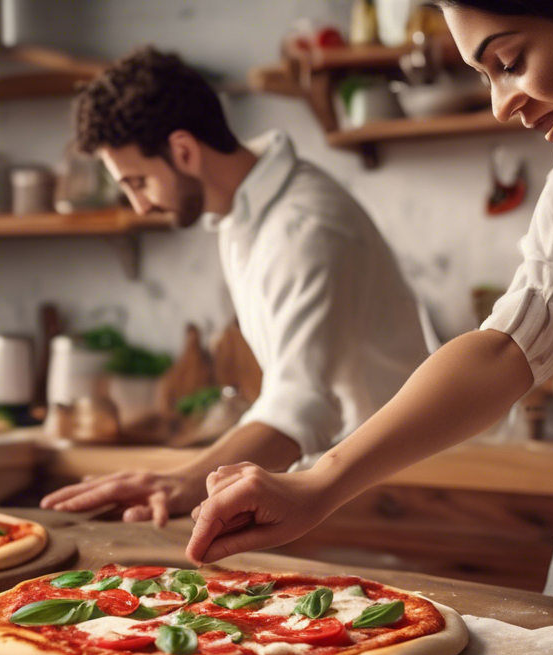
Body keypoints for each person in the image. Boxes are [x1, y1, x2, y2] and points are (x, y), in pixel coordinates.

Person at [186, 0, 553, 620]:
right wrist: (316, 485)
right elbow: (506, 348)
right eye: (486, 75)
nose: (502, 103)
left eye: (510, 61)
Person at [40, 47, 429, 526]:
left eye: (138, 181)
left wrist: (186, 479)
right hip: (335, 480)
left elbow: (303, 404)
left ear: (183, 150)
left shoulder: (302, 227)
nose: (139, 206)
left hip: (390, 490)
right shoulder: (239, 215)